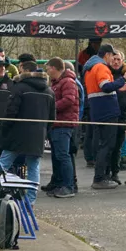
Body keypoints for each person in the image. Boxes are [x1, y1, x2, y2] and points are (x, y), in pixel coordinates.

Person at [0, 60, 55, 196]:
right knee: (33, 167)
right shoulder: (49, 91)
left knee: (2, 164)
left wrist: (4, 130)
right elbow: (52, 118)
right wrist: (44, 131)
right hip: (38, 135)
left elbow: (11, 112)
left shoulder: (19, 88)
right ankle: (31, 200)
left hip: (16, 135)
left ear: (23, 70)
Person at [84, 44, 126, 189]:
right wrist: (123, 78)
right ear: (107, 55)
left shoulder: (90, 67)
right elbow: (105, 86)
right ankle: (100, 178)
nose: (113, 59)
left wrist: (117, 86)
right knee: (107, 145)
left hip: (98, 110)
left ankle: (102, 176)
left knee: (102, 145)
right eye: (112, 56)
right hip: (107, 111)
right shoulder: (101, 67)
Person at [45, 57, 80, 198]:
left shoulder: (68, 82)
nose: (47, 71)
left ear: (54, 68)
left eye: (48, 68)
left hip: (64, 124)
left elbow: (69, 100)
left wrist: (51, 108)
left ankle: (68, 186)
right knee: (57, 156)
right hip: (57, 124)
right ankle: (60, 183)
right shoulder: (57, 83)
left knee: (63, 155)